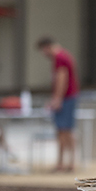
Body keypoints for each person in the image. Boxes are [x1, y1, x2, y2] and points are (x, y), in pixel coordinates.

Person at [37, 38, 79, 173]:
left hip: (66, 98)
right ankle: (66, 162)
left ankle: (65, 162)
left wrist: (57, 99)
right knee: (65, 130)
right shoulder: (64, 56)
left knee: (64, 130)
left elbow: (62, 79)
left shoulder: (60, 58)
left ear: (47, 47)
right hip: (68, 97)